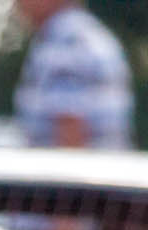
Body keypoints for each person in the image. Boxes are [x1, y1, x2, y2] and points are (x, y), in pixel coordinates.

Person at [12, 0, 132, 151]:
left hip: (76, 165)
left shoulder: (66, 40)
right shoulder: (82, 32)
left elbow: (70, 132)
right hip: (103, 164)